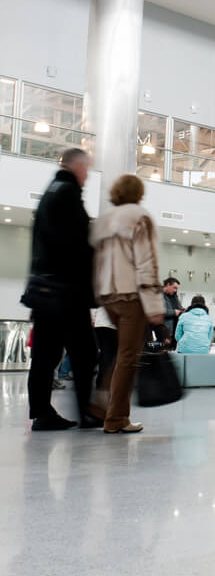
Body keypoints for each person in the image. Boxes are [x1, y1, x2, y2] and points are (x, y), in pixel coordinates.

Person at [24, 148, 98, 431]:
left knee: (44, 354)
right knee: (85, 353)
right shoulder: (68, 194)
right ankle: (85, 412)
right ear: (77, 167)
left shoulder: (50, 192)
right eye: (87, 169)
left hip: (44, 289)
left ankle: (41, 412)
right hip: (66, 292)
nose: (88, 175)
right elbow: (75, 245)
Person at [91, 173, 164, 434]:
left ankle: (103, 405)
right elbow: (146, 262)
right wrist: (155, 305)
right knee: (128, 356)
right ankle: (115, 418)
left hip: (108, 297)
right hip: (131, 296)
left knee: (123, 354)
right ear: (139, 192)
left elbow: (96, 262)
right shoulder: (139, 217)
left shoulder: (104, 220)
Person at [160, 277, 183, 347]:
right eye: (174, 288)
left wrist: (183, 310)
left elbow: (179, 307)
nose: (175, 290)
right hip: (165, 332)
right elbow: (158, 312)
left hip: (175, 332)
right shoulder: (158, 295)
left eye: (176, 288)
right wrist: (173, 312)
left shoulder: (175, 296)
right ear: (167, 285)